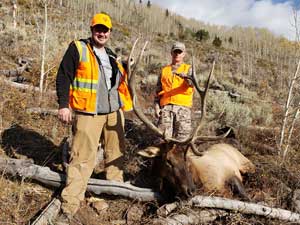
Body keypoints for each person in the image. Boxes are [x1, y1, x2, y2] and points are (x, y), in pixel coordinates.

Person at [55, 12, 132, 221]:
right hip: (88, 113)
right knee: (81, 157)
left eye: (105, 30)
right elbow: (63, 76)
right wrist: (64, 105)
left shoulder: (112, 55)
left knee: (116, 154)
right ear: (92, 30)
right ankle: (71, 202)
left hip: (114, 113)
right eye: (98, 28)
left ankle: (115, 191)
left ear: (109, 33)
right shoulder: (78, 48)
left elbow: (118, 85)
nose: (101, 33)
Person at [154, 41, 194, 140]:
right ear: (171, 53)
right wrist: (156, 107)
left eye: (179, 52)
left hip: (183, 110)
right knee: (162, 140)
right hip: (165, 110)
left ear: (184, 54)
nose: (177, 54)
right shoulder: (164, 70)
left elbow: (192, 84)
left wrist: (187, 78)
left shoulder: (189, 69)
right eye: (175, 52)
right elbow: (158, 91)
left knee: (182, 141)